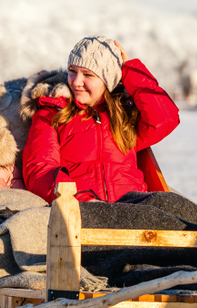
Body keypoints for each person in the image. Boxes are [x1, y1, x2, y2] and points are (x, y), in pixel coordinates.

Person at [22, 36, 180, 203]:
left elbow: (166, 119)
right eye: (73, 71)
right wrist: (78, 200)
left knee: (183, 211)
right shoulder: (52, 114)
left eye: (88, 75)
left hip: (132, 206)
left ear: (107, 81)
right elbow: (39, 169)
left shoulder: (125, 116)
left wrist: (130, 71)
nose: (76, 82)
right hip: (82, 208)